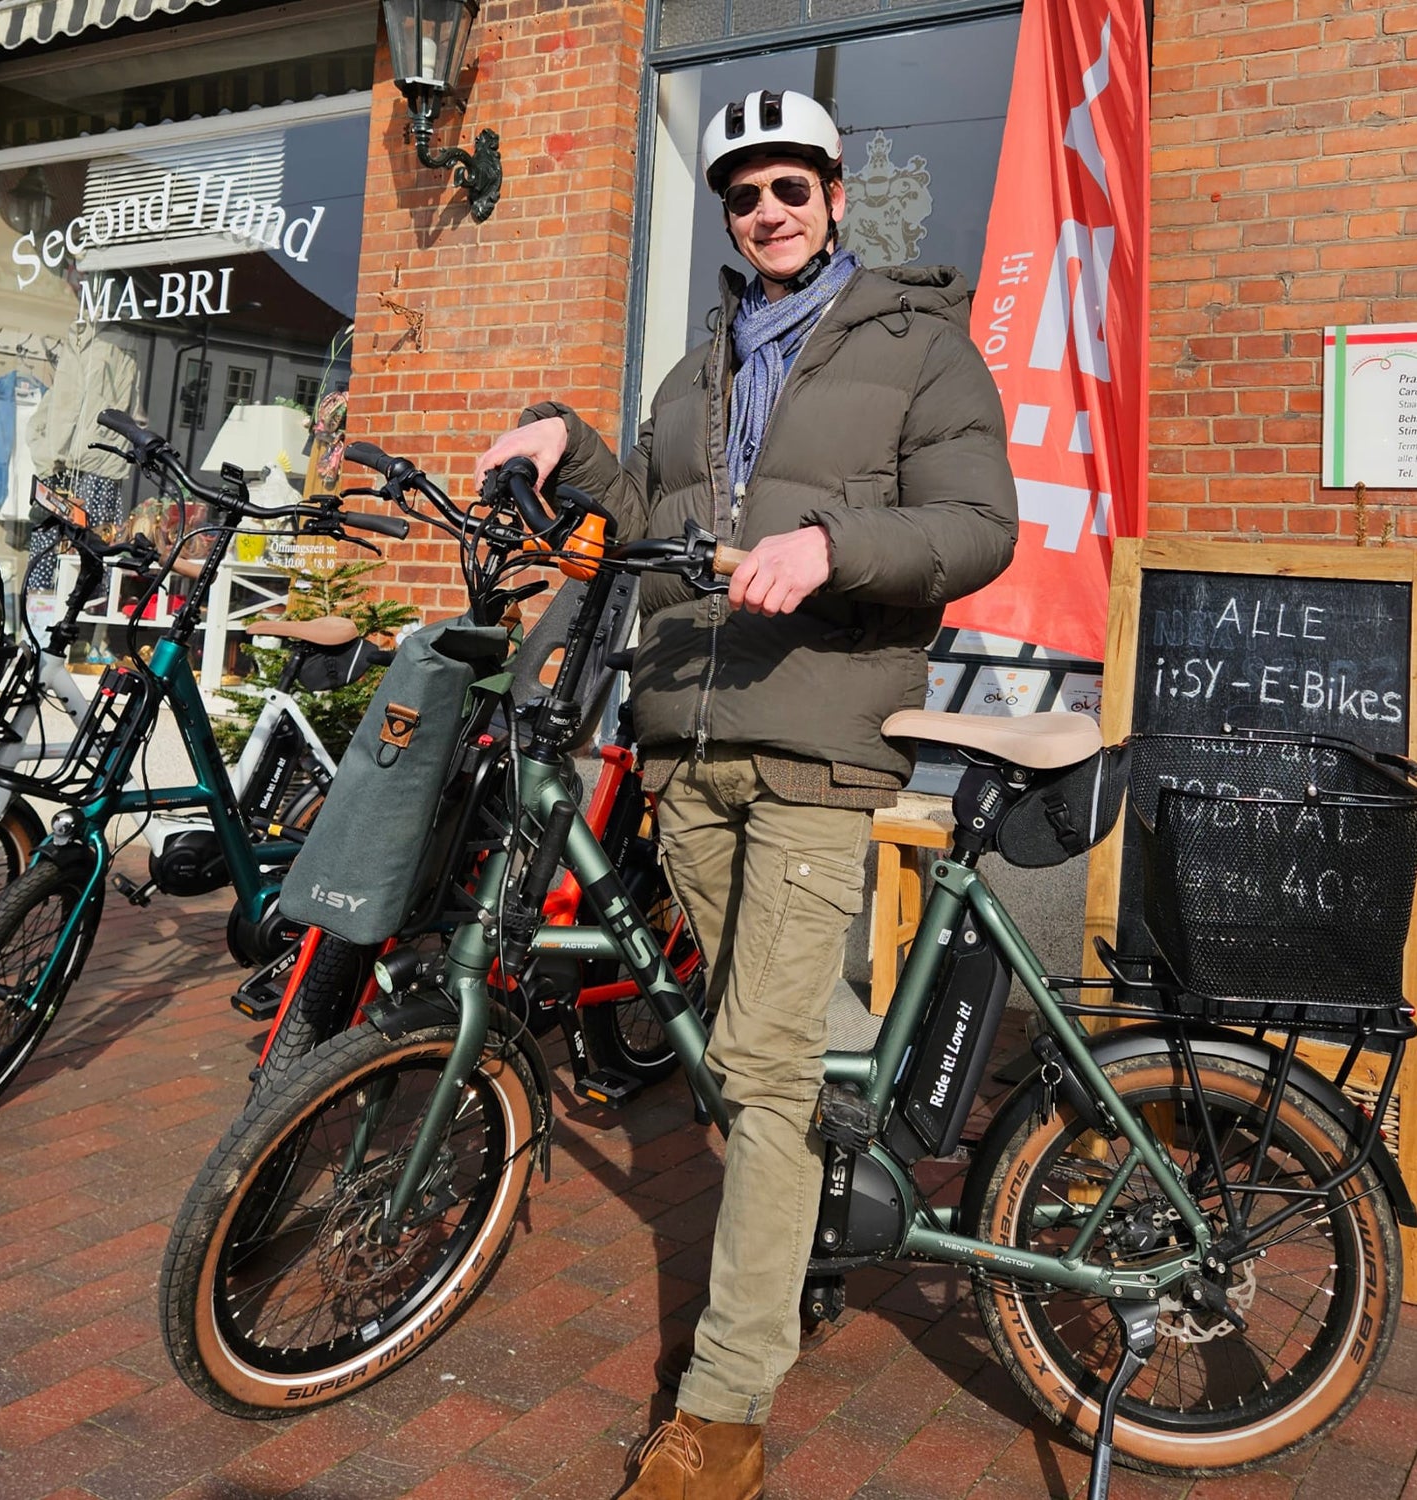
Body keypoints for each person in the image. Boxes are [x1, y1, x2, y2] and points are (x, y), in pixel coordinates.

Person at [475, 87, 1018, 1500]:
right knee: (748, 1043)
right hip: (687, 744)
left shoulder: (920, 348)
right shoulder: (700, 362)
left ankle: (721, 1416)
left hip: (818, 740)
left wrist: (834, 546)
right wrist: (562, 446)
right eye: (743, 194)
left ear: (838, 197)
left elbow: (976, 527)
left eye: (791, 187)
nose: (766, 211)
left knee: (763, 1071)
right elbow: (654, 519)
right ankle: (818, 1223)